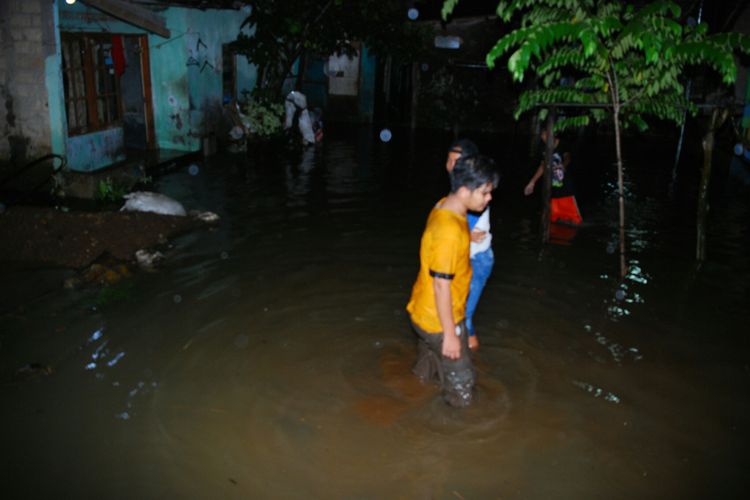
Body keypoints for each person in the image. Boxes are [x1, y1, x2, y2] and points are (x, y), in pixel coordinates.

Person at [406, 154, 499, 407]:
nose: (489, 198)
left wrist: (466, 237)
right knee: (462, 383)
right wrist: (450, 334)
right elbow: (441, 284)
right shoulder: (449, 232)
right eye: (484, 192)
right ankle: (454, 434)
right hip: (439, 320)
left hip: (422, 312)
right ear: (465, 190)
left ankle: (408, 394)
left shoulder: (444, 206)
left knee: (428, 368)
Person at [445, 139, 493, 351]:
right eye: (449, 160)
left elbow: (458, 230)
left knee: (464, 315)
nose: (451, 166)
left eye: (457, 161)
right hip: (464, 257)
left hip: (477, 260)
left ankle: (473, 355)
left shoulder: (475, 192)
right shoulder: (459, 189)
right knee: (457, 311)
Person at [524, 129, 582, 225]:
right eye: (542, 135)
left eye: (545, 135)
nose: (543, 138)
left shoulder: (562, 144)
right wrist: (532, 182)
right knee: (554, 218)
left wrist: (563, 165)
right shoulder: (543, 147)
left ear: (553, 135)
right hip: (552, 186)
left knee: (574, 219)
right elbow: (542, 166)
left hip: (566, 186)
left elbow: (568, 157)